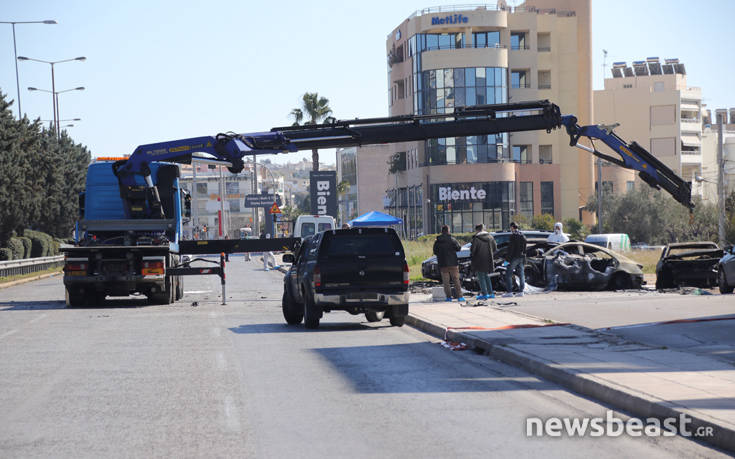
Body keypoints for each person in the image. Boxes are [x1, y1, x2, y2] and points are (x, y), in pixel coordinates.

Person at [433, 225, 465, 302]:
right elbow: (459, 248)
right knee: (456, 280)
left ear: (442, 231)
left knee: (446, 282)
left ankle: (448, 297)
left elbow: (435, 252)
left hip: (443, 264)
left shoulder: (437, 241)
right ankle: (460, 297)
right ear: (448, 231)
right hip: (453, 263)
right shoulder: (452, 239)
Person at [470, 223, 497, 300]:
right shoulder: (490, 237)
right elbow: (495, 248)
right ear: (483, 228)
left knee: (481, 277)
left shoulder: (477, 238)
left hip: (479, 260)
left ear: (477, 230)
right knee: (487, 276)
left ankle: (484, 294)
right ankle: (491, 293)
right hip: (489, 260)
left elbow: (473, 250)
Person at [503, 221, 527, 297]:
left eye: (510, 227)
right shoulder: (523, 235)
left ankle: (509, 292)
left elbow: (511, 249)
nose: (510, 229)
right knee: (521, 274)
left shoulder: (513, 236)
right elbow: (525, 247)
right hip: (521, 257)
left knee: (508, 274)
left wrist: (507, 260)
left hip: (514, 257)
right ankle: (521, 291)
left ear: (512, 227)